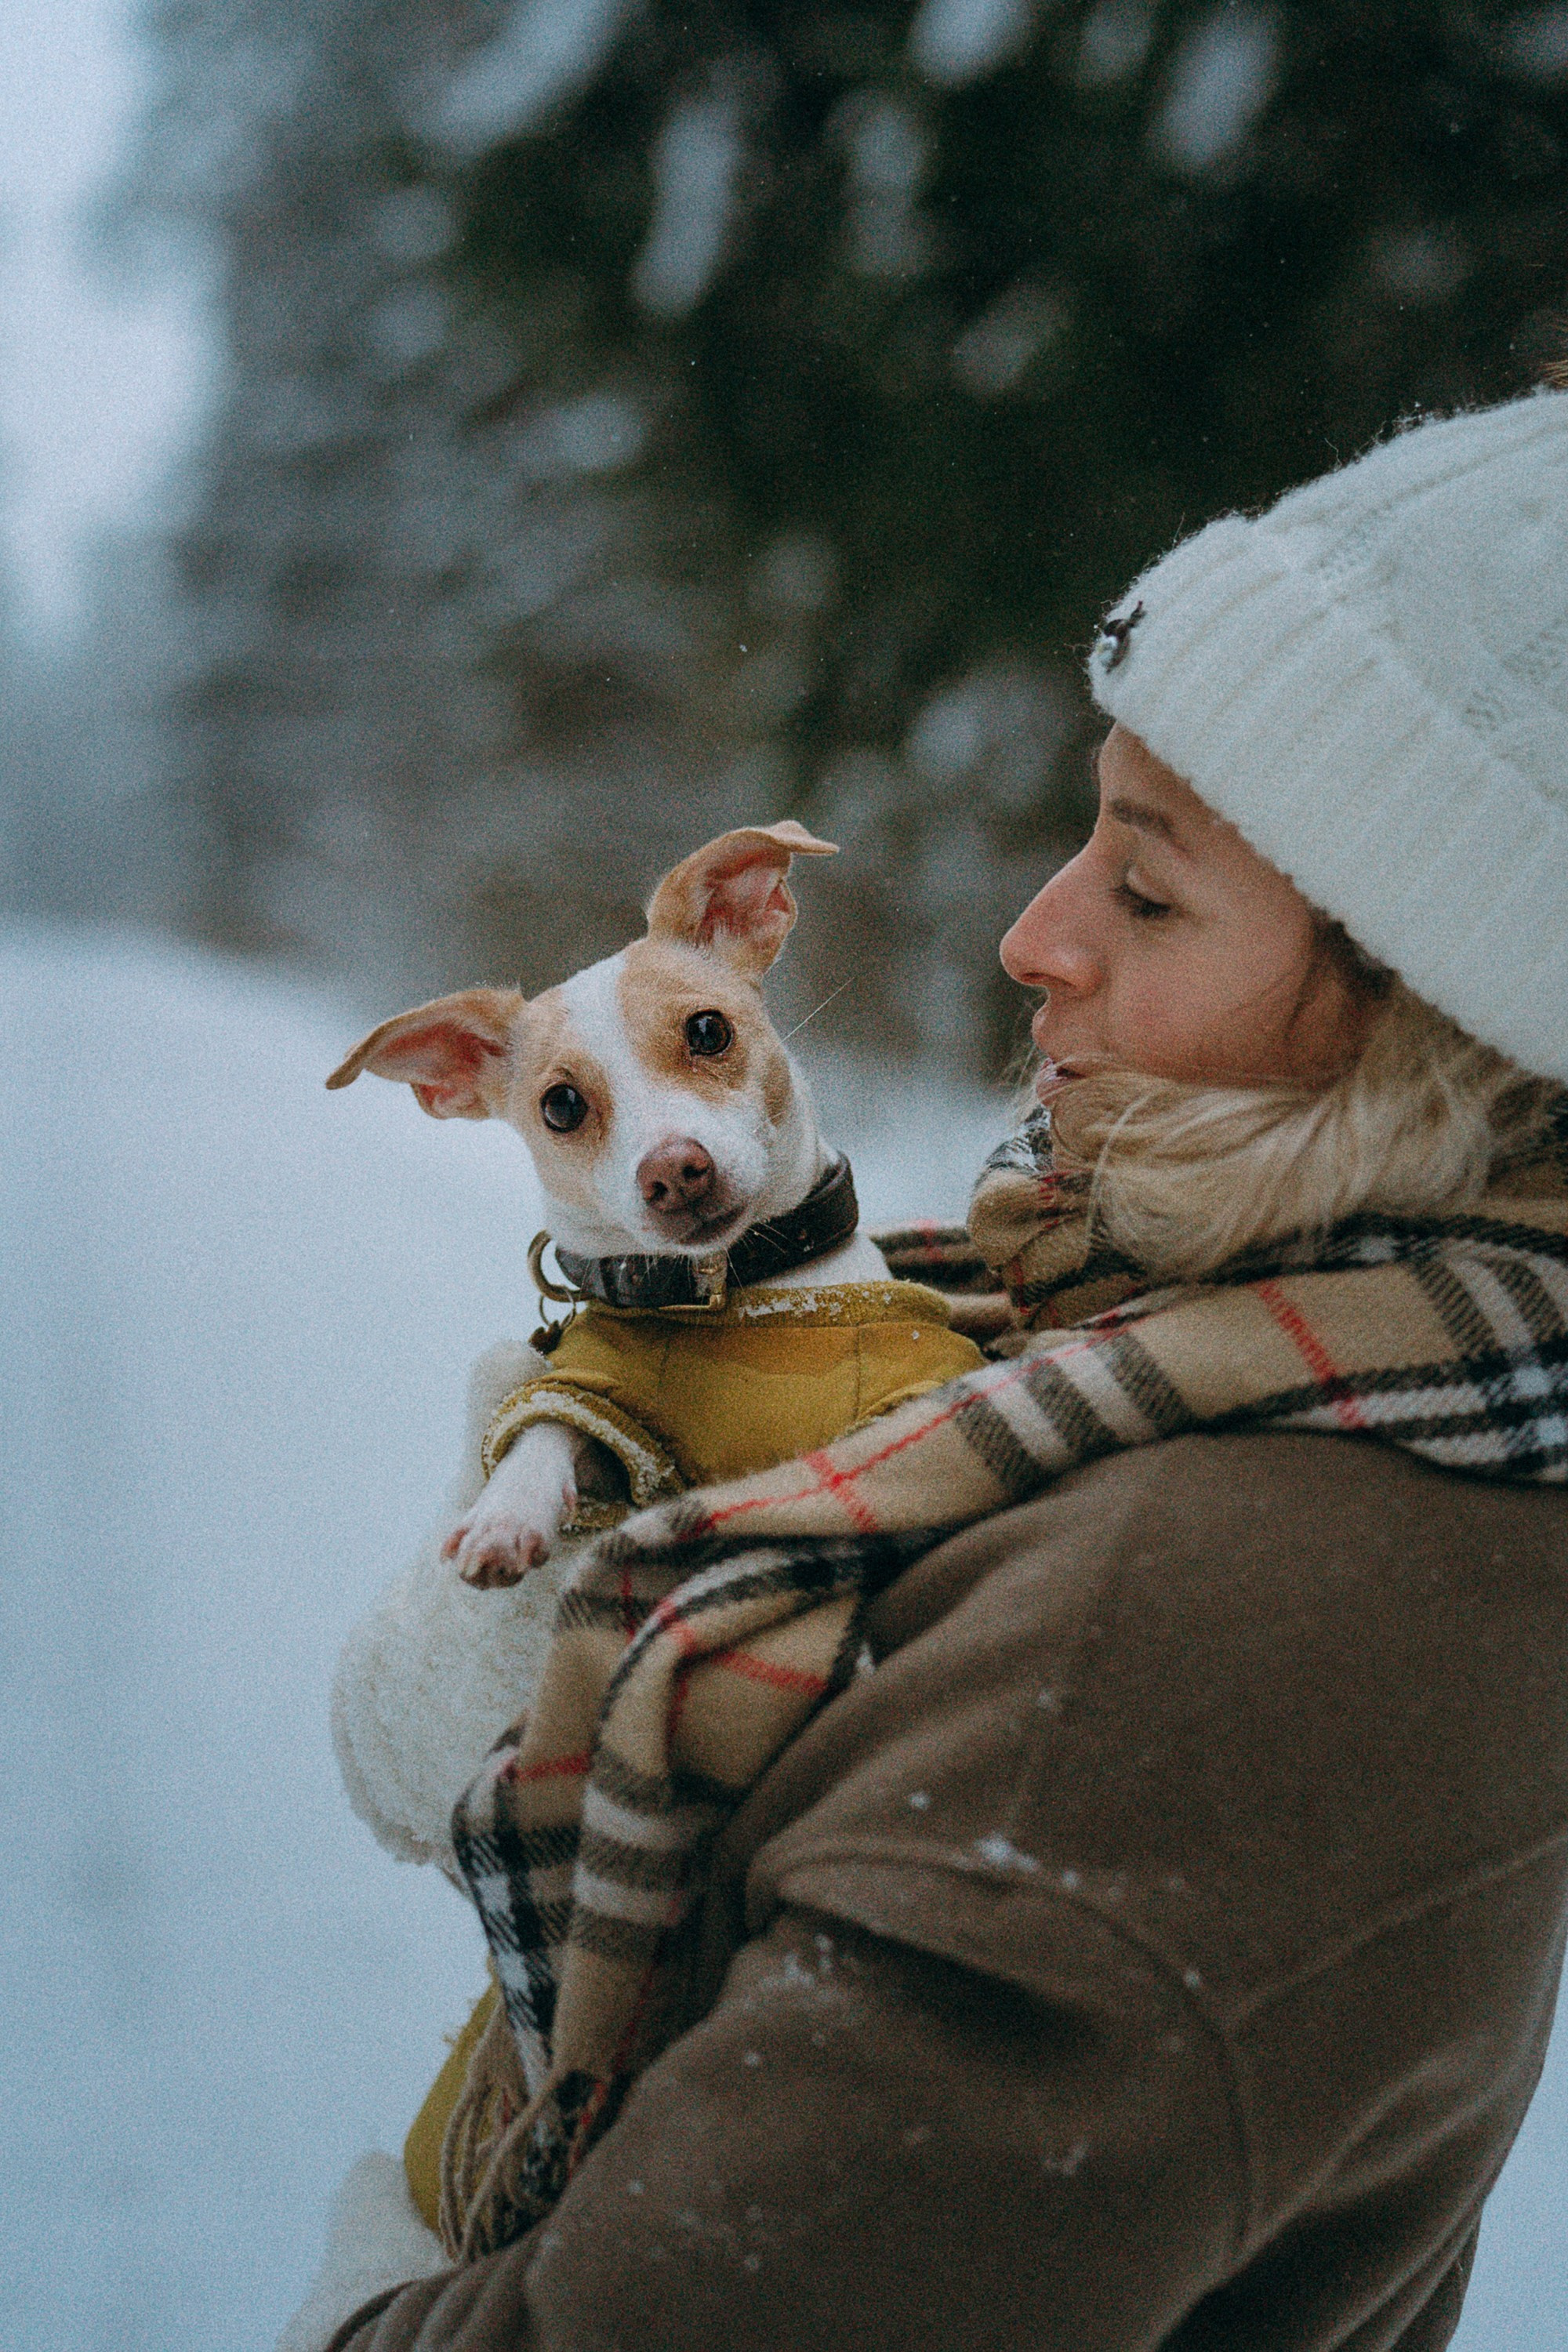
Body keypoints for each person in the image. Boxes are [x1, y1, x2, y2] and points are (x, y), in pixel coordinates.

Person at [328, 388, 1568, 2351]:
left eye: (1146, 886)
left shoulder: (1164, 1651)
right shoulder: (1179, 1348)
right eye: (1084, 832)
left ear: (1437, 1017)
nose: (1025, 935)